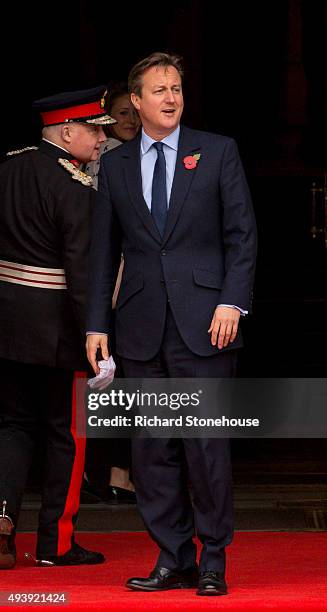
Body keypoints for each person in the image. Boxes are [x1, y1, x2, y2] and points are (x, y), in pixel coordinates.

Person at [86, 53, 257, 595]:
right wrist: (97, 325)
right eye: (159, 90)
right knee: (152, 448)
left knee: (206, 446)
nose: (171, 98)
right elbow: (102, 253)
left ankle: (212, 560)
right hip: (139, 325)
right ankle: (173, 556)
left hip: (206, 324)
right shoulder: (114, 165)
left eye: (177, 88)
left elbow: (242, 236)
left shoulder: (218, 151)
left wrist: (233, 302)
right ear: (135, 102)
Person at [0, 86, 116, 569]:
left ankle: (2, 523)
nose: (102, 141)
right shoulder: (75, 188)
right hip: (59, 331)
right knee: (67, 434)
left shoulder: (8, 168)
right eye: (95, 130)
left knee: (10, 427)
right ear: (67, 131)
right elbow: (82, 275)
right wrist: (98, 336)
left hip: (6, 325)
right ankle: (56, 544)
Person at [82, 82, 140, 504]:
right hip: (106, 286)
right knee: (103, 384)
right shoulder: (104, 160)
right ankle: (101, 471)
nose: (129, 122)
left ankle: (118, 472)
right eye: (120, 114)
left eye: (131, 113)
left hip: (131, 290)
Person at [85, 81, 141, 189]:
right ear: (108, 115)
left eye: (137, 113)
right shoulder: (112, 148)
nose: (132, 120)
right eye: (123, 113)